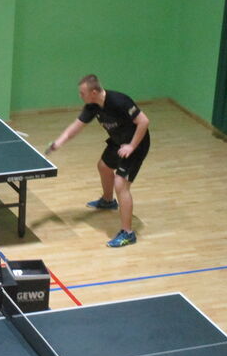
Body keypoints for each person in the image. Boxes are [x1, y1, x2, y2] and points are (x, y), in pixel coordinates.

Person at [47, 74, 150, 248]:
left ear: (93, 92)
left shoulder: (119, 101)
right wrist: (58, 143)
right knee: (103, 166)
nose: (80, 96)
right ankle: (108, 201)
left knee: (121, 184)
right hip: (118, 141)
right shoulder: (93, 106)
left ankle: (128, 233)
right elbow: (75, 127)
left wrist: (132, 146)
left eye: (82, 93)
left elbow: (144, 121)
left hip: (135, 145)